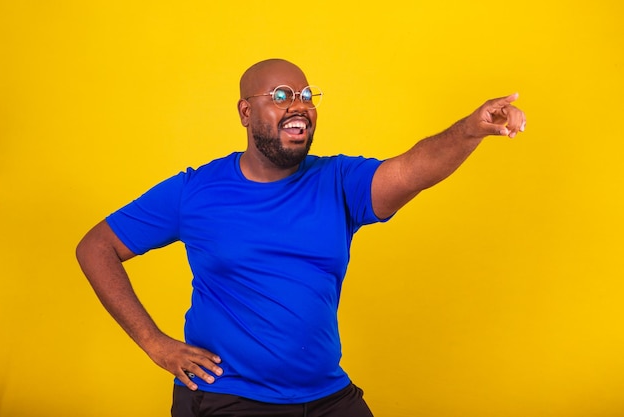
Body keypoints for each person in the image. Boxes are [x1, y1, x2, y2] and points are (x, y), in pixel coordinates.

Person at [76, 58, 526, 417]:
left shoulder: (338, 181)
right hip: (228, 399)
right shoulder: (196, 191)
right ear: (246, 112)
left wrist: (470, 129)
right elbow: (96, 247)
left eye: (307, 95)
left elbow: (412, 169)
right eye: (281, 95)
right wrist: (156, 344)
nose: (300, 104)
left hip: (326, 395)